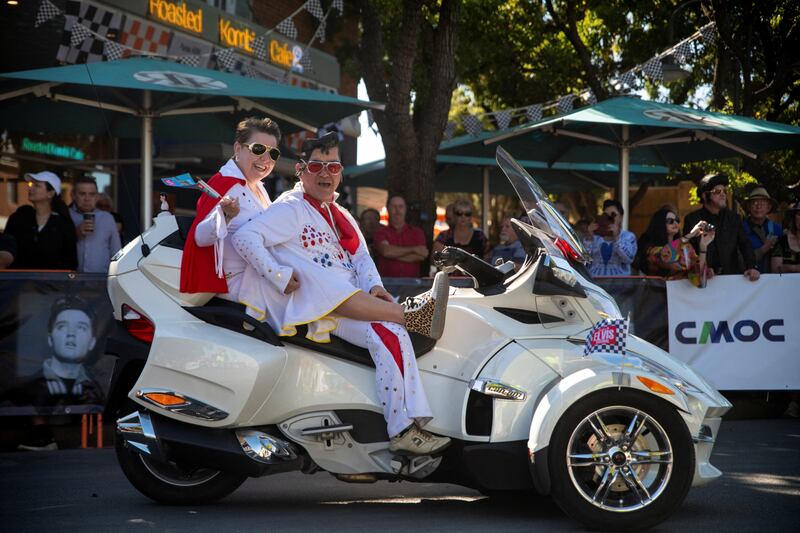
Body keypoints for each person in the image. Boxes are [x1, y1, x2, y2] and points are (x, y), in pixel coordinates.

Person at [232, 133, 451, 455]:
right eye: (317, 166)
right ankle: (412, 316)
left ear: (341, 171)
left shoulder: (339, 212)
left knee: (390, 334)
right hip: (317, 306)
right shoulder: (292, 208)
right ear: (302, 169)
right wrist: (278, 274)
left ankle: (406, 426)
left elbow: (362, 257)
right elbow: (245, 237)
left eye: (333, 166)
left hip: (348, 301)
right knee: (333, 287)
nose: (325, 173)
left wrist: (376, 286)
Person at [180, 117, 283, 305]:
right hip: (237, 288)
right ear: (238, 149)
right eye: (258, 149)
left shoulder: (259, 187)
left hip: (261, 280)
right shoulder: (224, 184)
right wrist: (225, 215)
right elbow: (200, 238)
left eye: (273, 153)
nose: (266, 159)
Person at [683, 173, 759, 281]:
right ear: (705, 196)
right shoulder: (692, 220)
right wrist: (703, 268)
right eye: (718, 192)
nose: (723, 194)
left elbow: (745, 244)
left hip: (731, 280)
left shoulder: (734, 218)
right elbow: (688, 251)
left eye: (724, 191)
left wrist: (752, 266)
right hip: (704, 281)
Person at [4, 171, 77, 270]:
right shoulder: (18, 218)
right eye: (31, 184)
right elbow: (6, 249)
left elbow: (71, 263)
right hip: (17, 283)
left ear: (50, 193)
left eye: (37, 185)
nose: (31, 188)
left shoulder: (64, 225)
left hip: (50, 284)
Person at [638, 206, 715, 287]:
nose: (675, 223)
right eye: (670, 221)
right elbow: (666, 257)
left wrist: (703, 246)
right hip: (659, 296)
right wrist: (690, 235)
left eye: (677, 220)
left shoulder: (686, 248)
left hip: (681, 298)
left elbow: (700, 281)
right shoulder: (651, 249)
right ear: (659, 223)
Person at [69, 176, 121, 273]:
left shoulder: (107, 218)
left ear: (97, 197)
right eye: (82, 194)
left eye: (91, 194)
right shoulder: (66, 216)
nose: (87, 198)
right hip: (71, 280)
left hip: (100, 280)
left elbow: (116, 252)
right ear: (73, 195)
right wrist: (75, 234)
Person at [373, 194, 428, 277]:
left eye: (400, 206)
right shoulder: (380, 232)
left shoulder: (417, 232)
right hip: (387, 284)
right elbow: (386, 251)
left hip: (413, 284)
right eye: (394, 206)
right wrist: (414, 249)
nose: (397, 210)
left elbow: (422, 255)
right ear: (388, 209)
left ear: (406, 209)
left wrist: (391, 255)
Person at [585, 199, 637, 277]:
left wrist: (616, 238)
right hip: (596, 283)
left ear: (621, 217)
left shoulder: (628, 236)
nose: (610, 218)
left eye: (613, 215)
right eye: (606, 215)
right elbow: (585, 260)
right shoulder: (594, 237)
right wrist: (589, 237)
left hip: (621, 284)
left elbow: (628, 259)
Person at [742, 186, 782, 273]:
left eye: (763, 203)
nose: (758, 206)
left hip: (772, 281)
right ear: (748, 207)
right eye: (754, 203)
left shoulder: (777, 229)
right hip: (747, 279)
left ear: (769, 207)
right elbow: (738, 259)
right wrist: (765, 248)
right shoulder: (740, 229)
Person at [771, 202, 800, 274]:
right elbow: (775, 270)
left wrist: (787, 267)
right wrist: (795, 268)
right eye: (799, 215)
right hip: (785, 284)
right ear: (794, 217)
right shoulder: (782, 241)